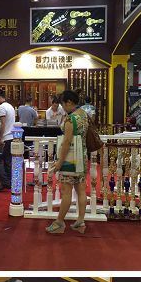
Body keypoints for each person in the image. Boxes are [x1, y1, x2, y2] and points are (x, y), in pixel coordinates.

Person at [46, 90, 90, 235]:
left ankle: (59, 222)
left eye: (63, 104)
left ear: (69, 102)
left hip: (70, 159)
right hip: (82, 157)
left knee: (66, 191)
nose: (62, 107)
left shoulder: (71, 119)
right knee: (81, 190)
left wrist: (59, 162)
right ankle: (80, 221)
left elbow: (66, 142)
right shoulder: (83, 114)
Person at [0, 89, 15, 192]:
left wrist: (0, 138)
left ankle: (5, 182)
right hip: (11, 137)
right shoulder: (10, 106)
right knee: (8, 161)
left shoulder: (1, 108)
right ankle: (9, 181)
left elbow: (2, 124)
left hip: (4, 138)